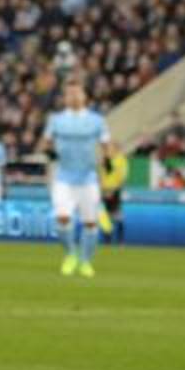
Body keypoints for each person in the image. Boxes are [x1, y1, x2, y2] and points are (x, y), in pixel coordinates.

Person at [40, 79, 111, 278]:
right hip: (64, 177)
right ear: (64, 98)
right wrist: (50, 153)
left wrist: (107, 161)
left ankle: (86, 261)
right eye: (69, 93)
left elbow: (106, 143)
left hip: (88, 178)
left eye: (76, 93)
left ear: (85, 96)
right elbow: (45, 143)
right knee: (62, 218)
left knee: (90, 223)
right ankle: (71, 254)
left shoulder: (97, 120)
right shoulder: (56, 119)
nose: (73, 97)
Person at [100, 143, 128, 245]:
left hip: (114, 190)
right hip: (104, 190)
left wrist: (114, 190)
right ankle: (108, 241)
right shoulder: (106, 160)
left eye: (112, 148)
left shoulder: (121, 160)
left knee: (117, 215)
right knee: (105, 216)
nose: (110, 150)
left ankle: (120, 241)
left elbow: (122, 178)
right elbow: (103, 175)